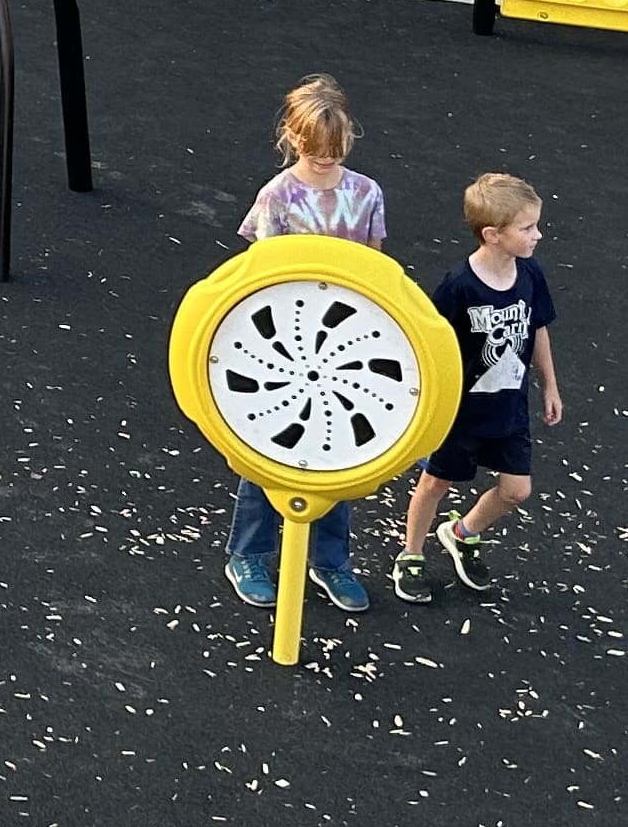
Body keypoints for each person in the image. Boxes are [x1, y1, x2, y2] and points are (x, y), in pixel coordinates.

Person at [224, 74, 385, 617]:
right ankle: (249, 553)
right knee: (272, 445)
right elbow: (259, 271)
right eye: (316, 153)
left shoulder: (365, 193)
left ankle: (330, 560)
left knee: (341, 447)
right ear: (293, 138)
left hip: (343, 341)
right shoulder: (278, 196)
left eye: (334, 153)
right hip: (284, 341)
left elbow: (375, 264)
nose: (325, 162)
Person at [396, 173, 561, 601]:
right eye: (526, 228)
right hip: (461, 413)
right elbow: (431, 346)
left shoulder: (529, 274)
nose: (538, 235)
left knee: (516, 490)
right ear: (492, 235)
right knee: (435, 484)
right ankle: (411, 554)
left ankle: (462, 532)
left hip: (510, 409)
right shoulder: (459, 287)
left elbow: (538, 326)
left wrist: (550, 385)